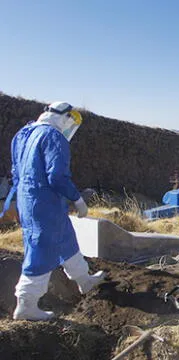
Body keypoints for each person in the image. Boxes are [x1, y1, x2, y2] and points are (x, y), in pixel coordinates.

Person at [7, 102, 105, 321]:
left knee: (65, 239)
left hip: (30, 198)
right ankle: (26, 304)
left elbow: (16, 170)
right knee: (42, 249)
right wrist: (77, 199)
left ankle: (84, 280)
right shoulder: (54, 137)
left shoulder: (23, 134)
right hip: (44, 202)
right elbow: (57, 176)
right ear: (65, 118)